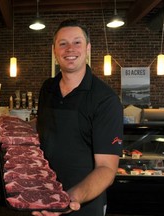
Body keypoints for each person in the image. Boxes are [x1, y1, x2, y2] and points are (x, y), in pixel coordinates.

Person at [32, 19, 123, 216]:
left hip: (83, 204)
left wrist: (70, 198)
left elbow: (107, 169)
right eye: (62, 43)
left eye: (77, 42)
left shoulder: (105, 99)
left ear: (88, 48)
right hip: (42, 200)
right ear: (55, 50)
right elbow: (47, 131)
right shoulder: (47, 88)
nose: (69, 49)